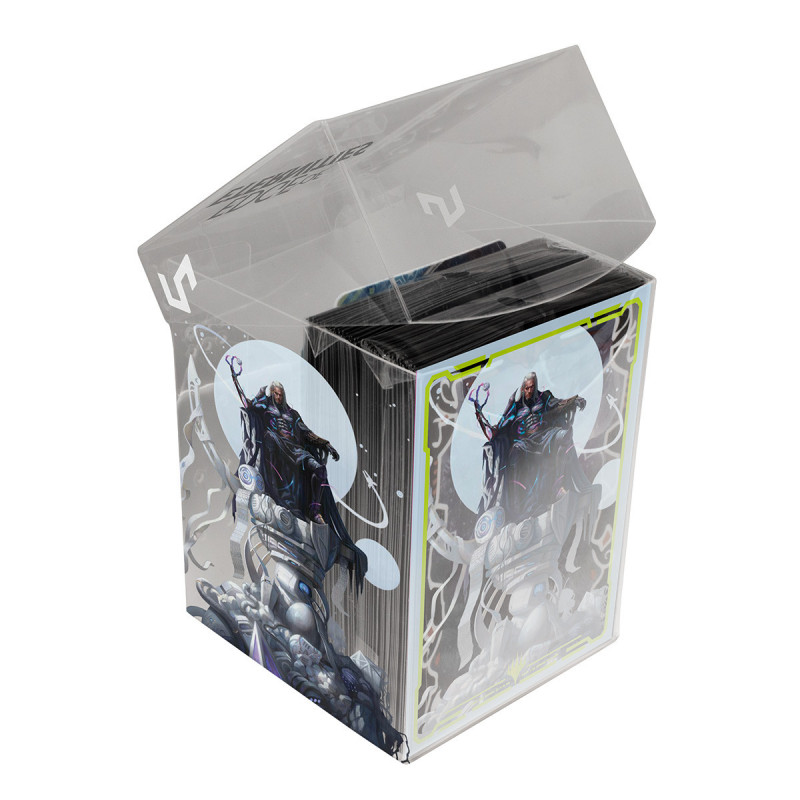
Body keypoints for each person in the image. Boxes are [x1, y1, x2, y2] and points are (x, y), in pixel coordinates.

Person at [227, 356, 366, 588]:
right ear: (271, 394)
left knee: (319, 470)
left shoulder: (292, 414)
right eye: (275, 393)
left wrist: (326, 444)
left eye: (280, 393)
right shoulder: (265, 408)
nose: (278, 396)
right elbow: (247, 404)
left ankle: (314, 509)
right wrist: (234, 378)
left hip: (295, 450)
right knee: (271, 438)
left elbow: (307, 433)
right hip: (275, 449)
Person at [473, 371, 591, 523]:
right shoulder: (515, 406)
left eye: (532, 387)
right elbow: (498, 429)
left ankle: (562, 486)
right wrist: (480, 418)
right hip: (524, 442)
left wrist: (575, 399)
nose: (529, 391)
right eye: (527, 388)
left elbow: (559, 403)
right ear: (523, 388)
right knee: (516, 453)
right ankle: (523, 505)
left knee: (563, 436)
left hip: (545, 435)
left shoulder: (544, 397)